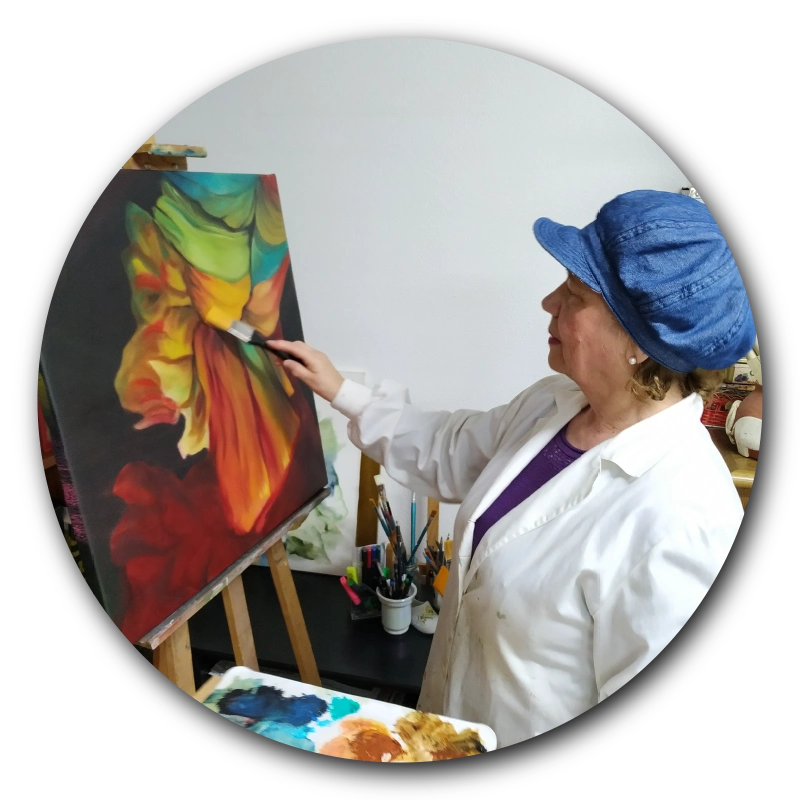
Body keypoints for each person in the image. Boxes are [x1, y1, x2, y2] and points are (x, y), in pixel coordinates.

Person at [269, 190, 756, 747]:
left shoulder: (685, 520)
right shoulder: (555, 404)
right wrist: (342, 390)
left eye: (574, 294)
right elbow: (449, 448)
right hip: (450, 730)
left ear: (640, 341)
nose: (549, 302)